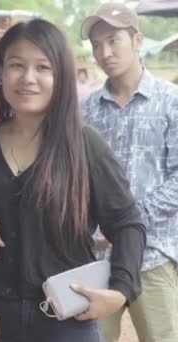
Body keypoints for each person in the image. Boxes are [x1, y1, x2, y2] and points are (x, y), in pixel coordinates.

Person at [0, 19, 146, 342]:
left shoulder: (84, 145)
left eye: (43, 67)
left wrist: (121, 290)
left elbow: (127, 222)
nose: (28, 78)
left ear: (61, 77)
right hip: (2, 320)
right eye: (17, 65)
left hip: (69, 320)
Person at [81, 3, 178, 342]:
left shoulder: (170, 101)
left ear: (137, 40)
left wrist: (125, 222)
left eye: (112, 41)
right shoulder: (87, 110)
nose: (104, 52)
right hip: (97, 258)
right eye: (96, 45)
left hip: (152, 255)